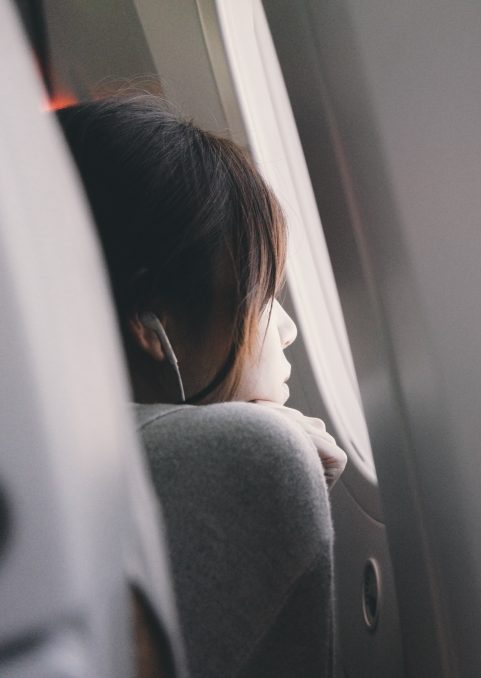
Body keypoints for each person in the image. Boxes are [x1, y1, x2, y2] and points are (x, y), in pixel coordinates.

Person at [58, 95, 346, 678]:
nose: (286, 330)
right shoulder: (251, 456)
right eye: (261, 296)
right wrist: (261, 446)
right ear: (148, 321)